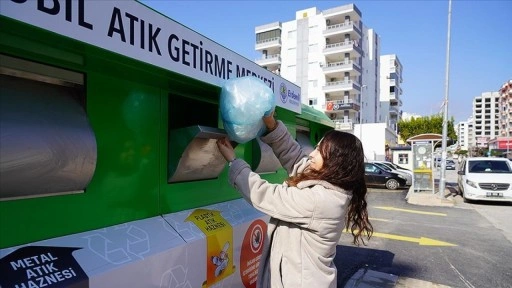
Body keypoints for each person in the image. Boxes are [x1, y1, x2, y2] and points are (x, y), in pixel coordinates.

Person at [216, 111, 373, 288]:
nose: (312, 154)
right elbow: (296, 158)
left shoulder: (320, 201)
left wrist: (233, 161)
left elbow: (267, 195)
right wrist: (271, 125)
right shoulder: (332, 186)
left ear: (335, 162)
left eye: (320, 151)